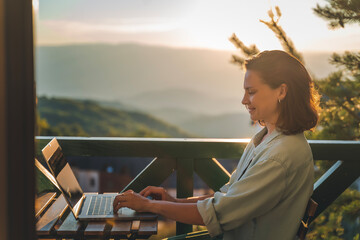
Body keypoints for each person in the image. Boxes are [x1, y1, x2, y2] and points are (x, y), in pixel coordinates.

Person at [113, 50, 320, 240]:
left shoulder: (281, 156)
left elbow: (220, 212)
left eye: (252, 91)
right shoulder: (265, 139)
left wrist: (151, 205)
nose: (243, 100)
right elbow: (229, 196)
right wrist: (173, 202)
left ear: (281, 91)